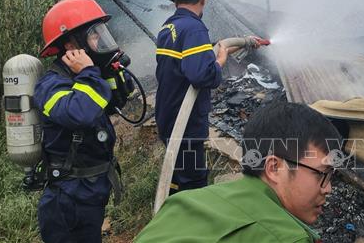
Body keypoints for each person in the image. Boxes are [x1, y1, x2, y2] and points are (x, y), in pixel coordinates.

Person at [135, 101, 343, 243]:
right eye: (322, 174)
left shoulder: (187, 200)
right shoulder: (285, 238)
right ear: (274, 168)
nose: (328, 188)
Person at [34, 0, 125, 242]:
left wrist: (110, 73)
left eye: (101, 33)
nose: (101, 41)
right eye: (94, 35)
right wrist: (87, 72)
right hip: (67, 200)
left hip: (90, 191)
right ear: (72, 44)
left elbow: (114, 103)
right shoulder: (50, 85)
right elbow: (80, 113)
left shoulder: (86, 77)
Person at [154, 0, 232, 193]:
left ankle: (172, 209)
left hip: (168, 115)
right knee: (193, 184)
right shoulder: (195, 29)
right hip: (185, 123)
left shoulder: (169, 27)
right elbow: (201, 75)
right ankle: (187, 224)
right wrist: (219, 64)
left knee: (177, 176)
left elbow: (186, 61)